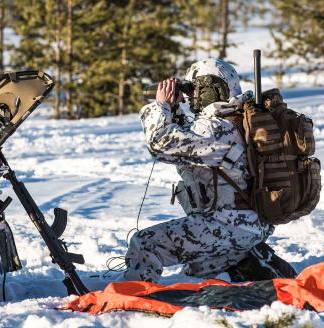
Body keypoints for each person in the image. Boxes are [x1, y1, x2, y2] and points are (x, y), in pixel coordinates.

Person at [124, 58, 297, 283]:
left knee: (144, 244)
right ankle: (244, 265)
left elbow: (160, 143)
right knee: (195, 268)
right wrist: (175, 113)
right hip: (249, 225)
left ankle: (131, 300)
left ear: (211, 89)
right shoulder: (234, 120)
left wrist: (161, 106)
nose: (190, 97)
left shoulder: (217, 128)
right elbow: (188, 152)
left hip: (229, 225)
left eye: (194, 90)